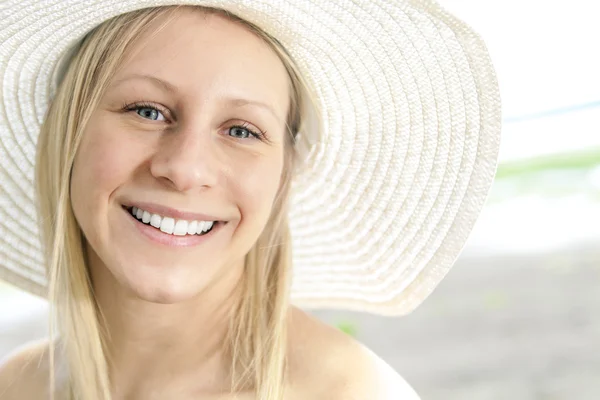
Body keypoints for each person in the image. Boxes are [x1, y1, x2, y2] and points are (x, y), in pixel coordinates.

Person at [0, 1, 500, 399]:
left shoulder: (348, 393)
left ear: (284, 175)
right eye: (148, 111)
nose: (186, 169)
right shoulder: (16, 385)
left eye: (241, 129)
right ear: (68, 134)